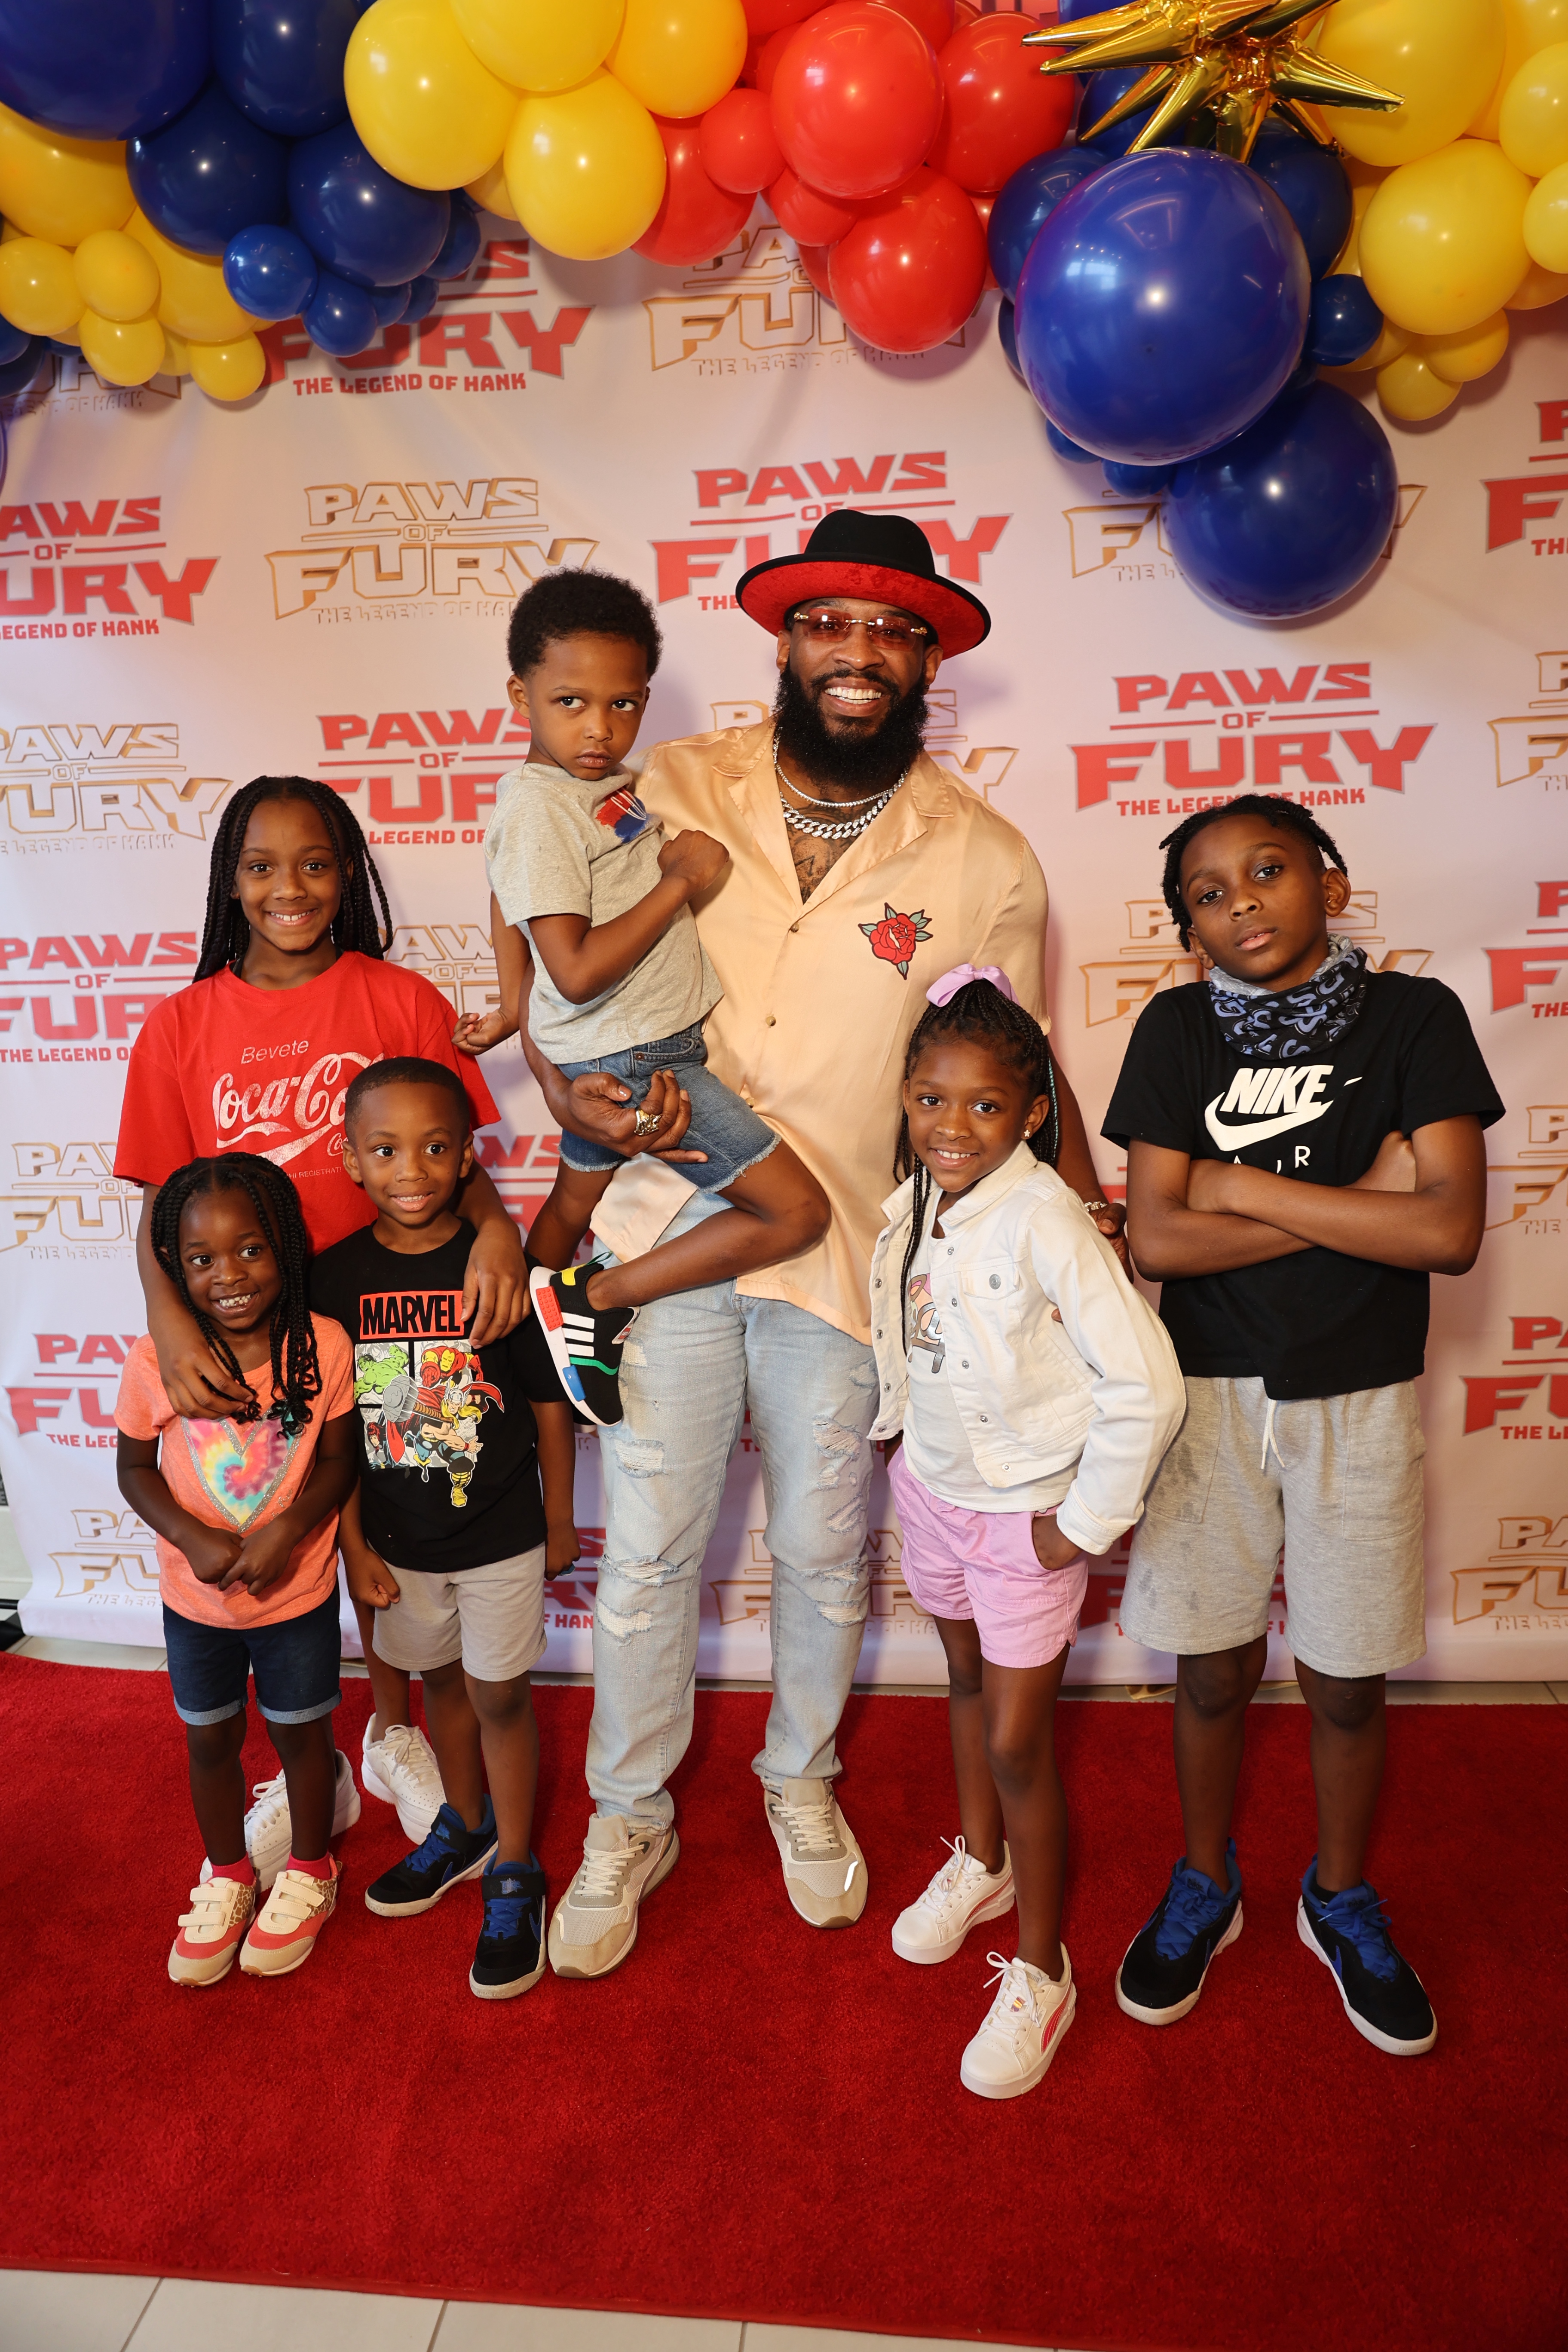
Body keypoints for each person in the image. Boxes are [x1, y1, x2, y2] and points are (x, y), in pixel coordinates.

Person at [499, 509, 1128, 1978]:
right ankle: (627, 1815)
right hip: (664, 1229)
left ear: (927, 659)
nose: (857, 654)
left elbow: (1014, 1062)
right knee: (650, 1552)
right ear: (782, 641)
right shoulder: (659, 783)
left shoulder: (983, 857)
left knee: (824, 1553)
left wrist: (1090, 1221)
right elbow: (548, 957)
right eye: (828, 623)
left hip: (848, 1260)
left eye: (892, 630)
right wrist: (545, 1076)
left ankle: (798, 1780)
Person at [1102, 794, 1503, 2057]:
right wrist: (1354, 1196)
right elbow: (1160, 1237)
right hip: (1209, 1390)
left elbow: (1446, 1231)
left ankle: (1338, 1897)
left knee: (1344, 1674)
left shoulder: (1415, 1020)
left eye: (1267, 871)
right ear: (1187, 934)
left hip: (1361, 1393)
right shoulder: (1174, 1031)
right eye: (1208, 896)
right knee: (1212, 1667)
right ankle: (1206, 1880)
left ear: (1329, 877)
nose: (1242, 905)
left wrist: (1237, 1183)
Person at [113, 775, 529, 1860]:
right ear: (229, 881)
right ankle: (334, 1759)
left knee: (381, 1517)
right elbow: (161, 1206)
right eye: (260, 867)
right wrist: (170, 1322)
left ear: (347, 874)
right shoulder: (181, 1024)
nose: (288, 888)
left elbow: (458, 1156)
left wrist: (496, 1233)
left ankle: (393, 1732)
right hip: (247, 1337)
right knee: (287, 1538)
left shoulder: (399, 999)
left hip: (379, 1317)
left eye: (312, 864)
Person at [872, 968, 1183, 2098]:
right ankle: (982, 1861)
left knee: (1016, 1743)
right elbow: (905, 1313)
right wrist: (896, 1425)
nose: (953, 1127)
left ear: (1034, 1112)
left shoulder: (1050, 1217)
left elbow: (1148, 1385)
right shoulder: (914, 1196)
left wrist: (1083, 1522)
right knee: (961, 1687)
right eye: (931, 1100)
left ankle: (1045, 1970)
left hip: (1025, 1522)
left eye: (985, 1106)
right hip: (936, 1496)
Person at [454, 568, 829, 1427]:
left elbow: (506, 892)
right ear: (521, 695)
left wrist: (515, 1005)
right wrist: (680, 883)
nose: (598, 728)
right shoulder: (544, 807)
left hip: (615, 1046)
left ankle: (503, 1362)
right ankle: (594, 1298)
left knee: (569, 1206)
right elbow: (579, 969)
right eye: (571, 702)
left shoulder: (593, 789)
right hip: (638, 1055)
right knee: (796, 1213)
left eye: (622, 705)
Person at [311, 1058, 580, 2000]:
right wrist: (353, 1546)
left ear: (470, 1157)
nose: (412, 1168)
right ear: (350, 1159)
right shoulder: (332, 1279)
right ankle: (461, 1826)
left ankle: (516, 1864)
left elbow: (548, 1403)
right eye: (385, 1150)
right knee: (440, 1690)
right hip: (397, 1547)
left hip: (502, 1535)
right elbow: (335, 1430)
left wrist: (557, 1518)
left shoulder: (495, 1263)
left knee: (502, 1696)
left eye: (435, 1147)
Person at [114, 1155, 358, 1985]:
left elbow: (337, 1462)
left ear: (285, 1247)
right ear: (175, 1268)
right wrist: (191, 1536)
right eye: (202, 1259)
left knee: (301, 1735)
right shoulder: (158, 1361)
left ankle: (313, 1868)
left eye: (251, 1249)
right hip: (196, 1605)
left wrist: (290, 1526)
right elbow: (134, 1470)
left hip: (297, 1598)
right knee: (211, 1739)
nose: (229, 1275)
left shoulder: (322, 1345)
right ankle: (227, 1873)